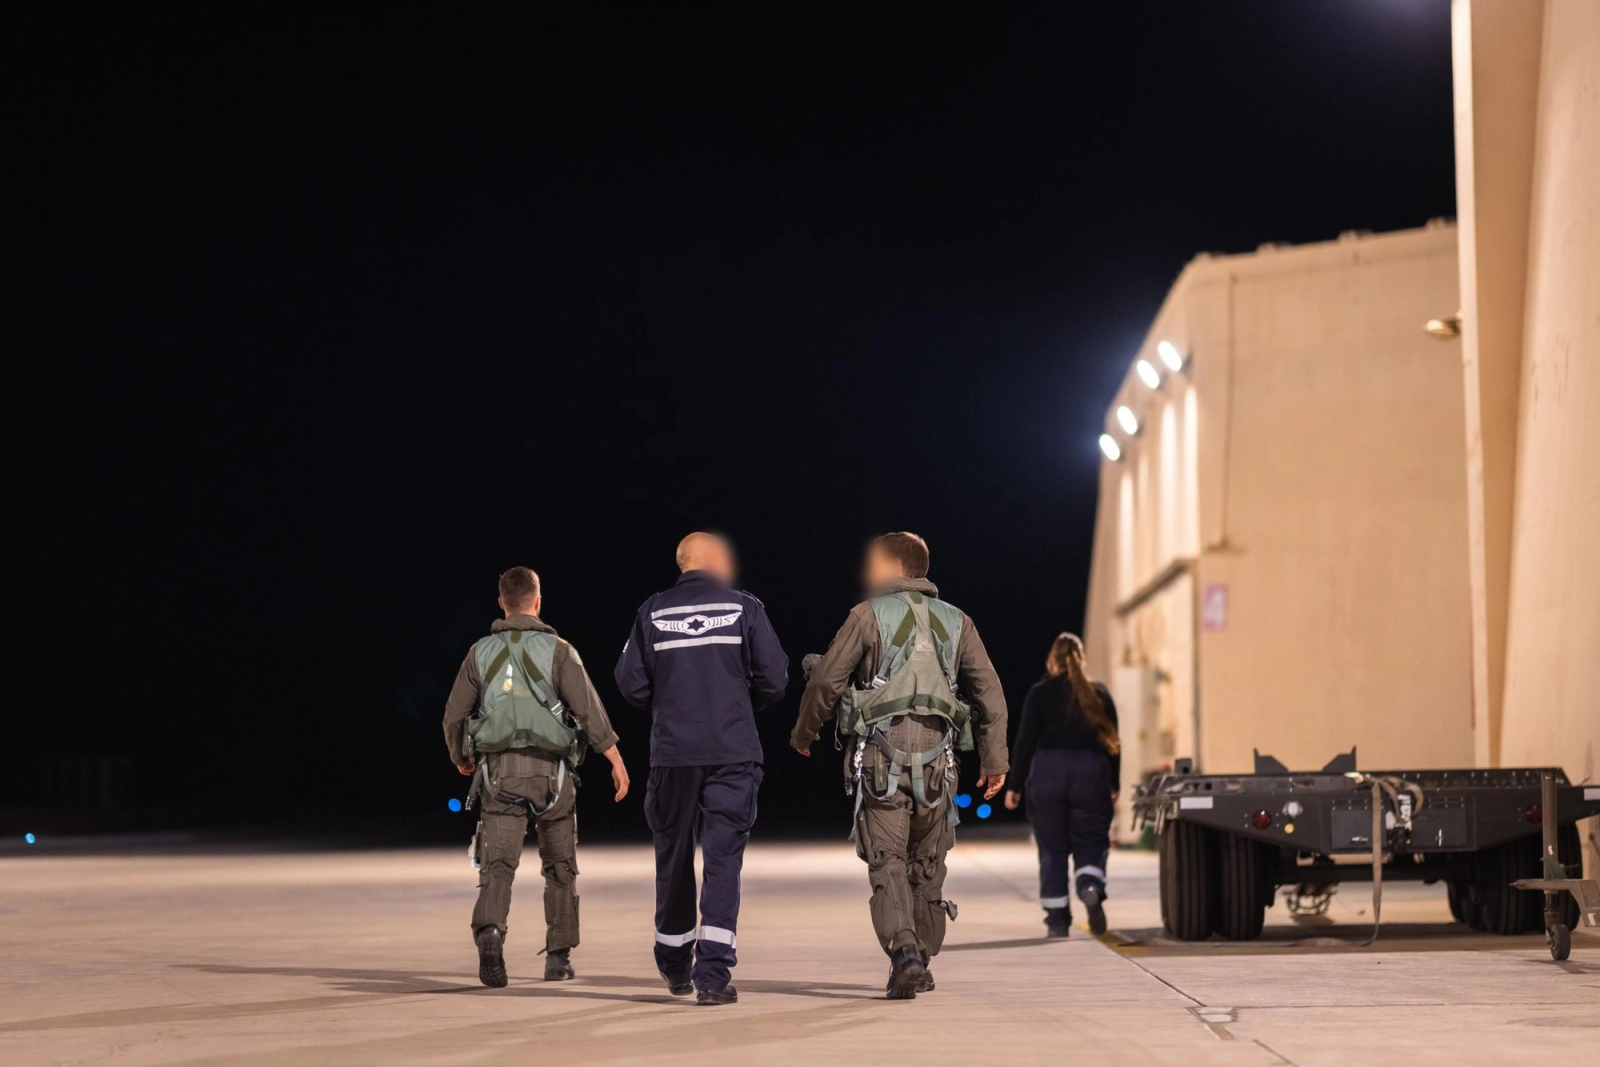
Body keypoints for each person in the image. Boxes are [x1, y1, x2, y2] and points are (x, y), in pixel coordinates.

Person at [791, 532, 1009, 1000]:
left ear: (894, 566)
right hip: (941, 761)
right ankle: (920, 960)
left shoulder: (867, 615)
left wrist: (805, 733)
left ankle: (906, 952)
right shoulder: (959, 621)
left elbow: (827, 680)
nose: (866, 572)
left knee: (887, 858)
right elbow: (990, 693)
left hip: (881, 757)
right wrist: (995, 760)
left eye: (872, 563)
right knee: (927, 863)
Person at [614, 532, 789, 1006]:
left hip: (672, 753)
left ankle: (674, 967)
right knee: (723, 860)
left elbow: (629, 682)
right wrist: (736, 704)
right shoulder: (744, 607)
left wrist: (670, 704)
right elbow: (775, 678)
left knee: (672, 857)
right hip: (733, 751)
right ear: (711, 559)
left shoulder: (652, 610)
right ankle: (712, 976)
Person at [442, 566, 631, 988]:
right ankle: (558, 959)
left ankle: (491, 931)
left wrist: (460, 757)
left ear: (501, 604)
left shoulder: (479, 652)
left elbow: (453, 715)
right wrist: (615, 759)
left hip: (500, 773)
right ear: (538, 601)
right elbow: (589, 709)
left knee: (497, 865)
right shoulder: (561, 651)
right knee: (560, 866)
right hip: (553, 775)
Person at [1003, 632, 1120, 937]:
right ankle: (1090, 885)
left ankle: (1057, 921)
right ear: (1081, 659)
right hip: (1091, 774)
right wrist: (1114, 784)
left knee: (1052, 849)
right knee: (1091, 840)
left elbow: (1025, 741)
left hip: (1048, 773)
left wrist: (1015, 786)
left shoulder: (1039, 694)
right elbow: (1113, 743)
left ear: (1053, 660)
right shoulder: (1100, 693)